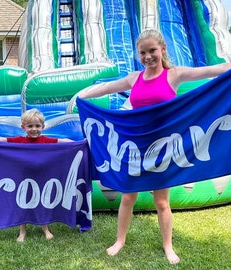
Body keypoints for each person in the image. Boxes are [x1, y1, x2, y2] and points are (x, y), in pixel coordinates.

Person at [78, 29, 231, 264]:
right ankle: (120, 241)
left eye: (152, 51)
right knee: (128, 198)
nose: (148, 56)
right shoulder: (133, 78)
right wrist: (82, 95)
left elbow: (213, 71)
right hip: (135, 148)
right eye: (143, 52)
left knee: (161, 202)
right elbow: (107, 88)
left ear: (162, 50)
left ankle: (168, 246)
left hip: (163, 149)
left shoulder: (175, 74)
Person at [0, 108, 73, 242]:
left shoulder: (46, 141)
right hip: (23, 177)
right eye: (30, 126)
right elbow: (1, 140)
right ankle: (22, 231)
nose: (34, 129)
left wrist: (80, 143)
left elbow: (64, 142)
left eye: (37, 126)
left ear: (43, 127)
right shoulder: (19, 140)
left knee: (43, 202)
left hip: (43, 177)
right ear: (23, 127)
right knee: (23, 203)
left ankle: (45, 228)